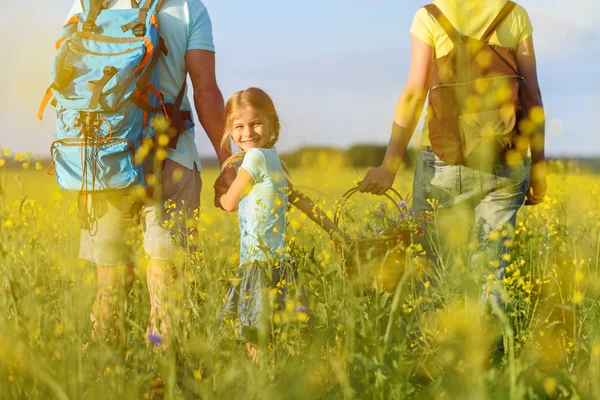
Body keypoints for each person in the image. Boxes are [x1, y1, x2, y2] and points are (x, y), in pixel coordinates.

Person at [65, 0, 236, 347]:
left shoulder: (87, 4)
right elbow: (205, 91)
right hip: (171, 155)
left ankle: (104, 376)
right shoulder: (188, 8)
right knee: (166, 286)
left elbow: (70, 84)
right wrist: (227, 161)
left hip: (104, 159)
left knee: (108, 286)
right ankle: (161, 381)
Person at [358, 0, 546, 301]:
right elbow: (532, 94)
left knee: (432, 271)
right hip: (506, 157)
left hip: (442, 160)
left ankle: (436, 345)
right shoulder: (514, 13)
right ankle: (490, 347)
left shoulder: (430, 16)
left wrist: (389, 167)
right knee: (490, 274)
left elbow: (414, 95)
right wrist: (538, 168)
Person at [217, 88, 342, 361]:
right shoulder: (274, 161)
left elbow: (229, 203)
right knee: (283, 330)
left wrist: (222, 195)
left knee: (255, 333)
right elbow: (303, 201)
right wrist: (335, 231)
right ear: (230, 130)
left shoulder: (254, 158)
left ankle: (260, 384)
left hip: (257, 264)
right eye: (239, 127)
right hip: (282, 264)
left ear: (272, 123)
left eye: (256, 123)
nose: (247, 132)